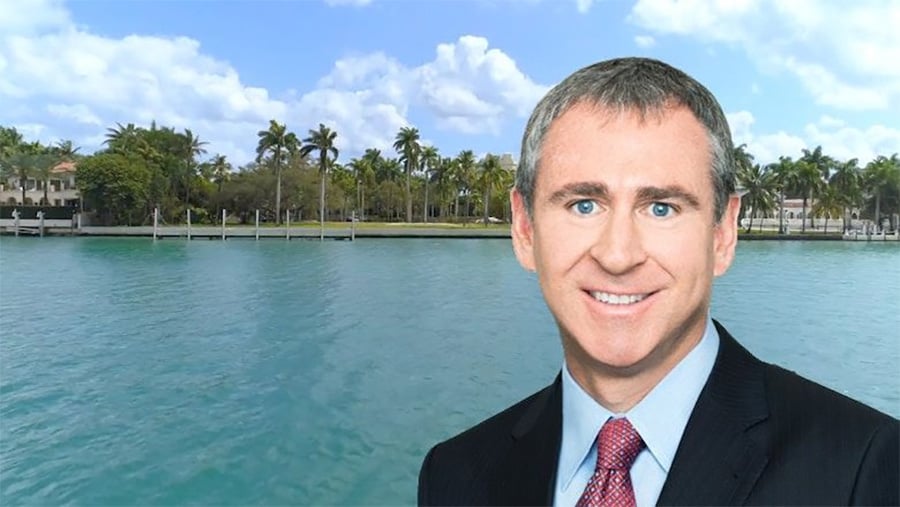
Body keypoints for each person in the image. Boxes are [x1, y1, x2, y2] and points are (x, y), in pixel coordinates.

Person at [417, 57, 899, 506]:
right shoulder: (456, 474)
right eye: (583, 204)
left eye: (661, 208)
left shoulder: (862, 467)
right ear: (524, 229)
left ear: (723, 232)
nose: (618, 254)